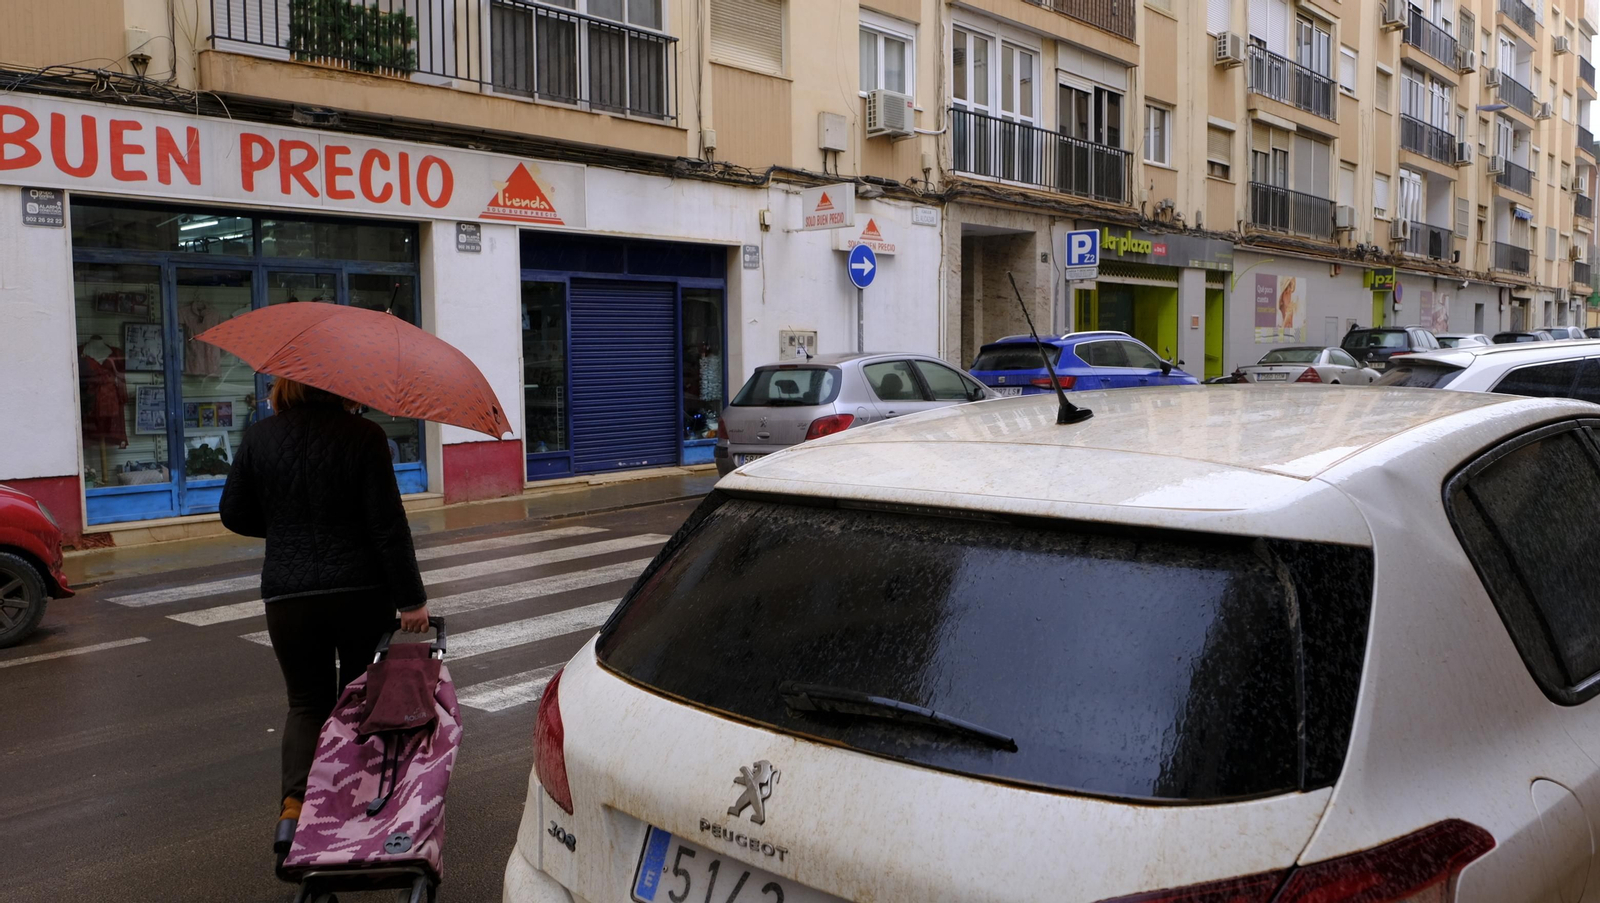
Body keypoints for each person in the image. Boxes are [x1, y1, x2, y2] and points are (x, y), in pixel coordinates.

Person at [219, 377, 429, 851]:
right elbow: (387, 525)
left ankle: (293, 814)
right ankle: (350, 808)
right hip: (359, 592)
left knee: (305, 704)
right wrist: (411, 599)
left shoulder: (258, 436)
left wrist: (285, 526)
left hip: (288, 598)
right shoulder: (364, 437)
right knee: (357, 699)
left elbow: (233, 512)